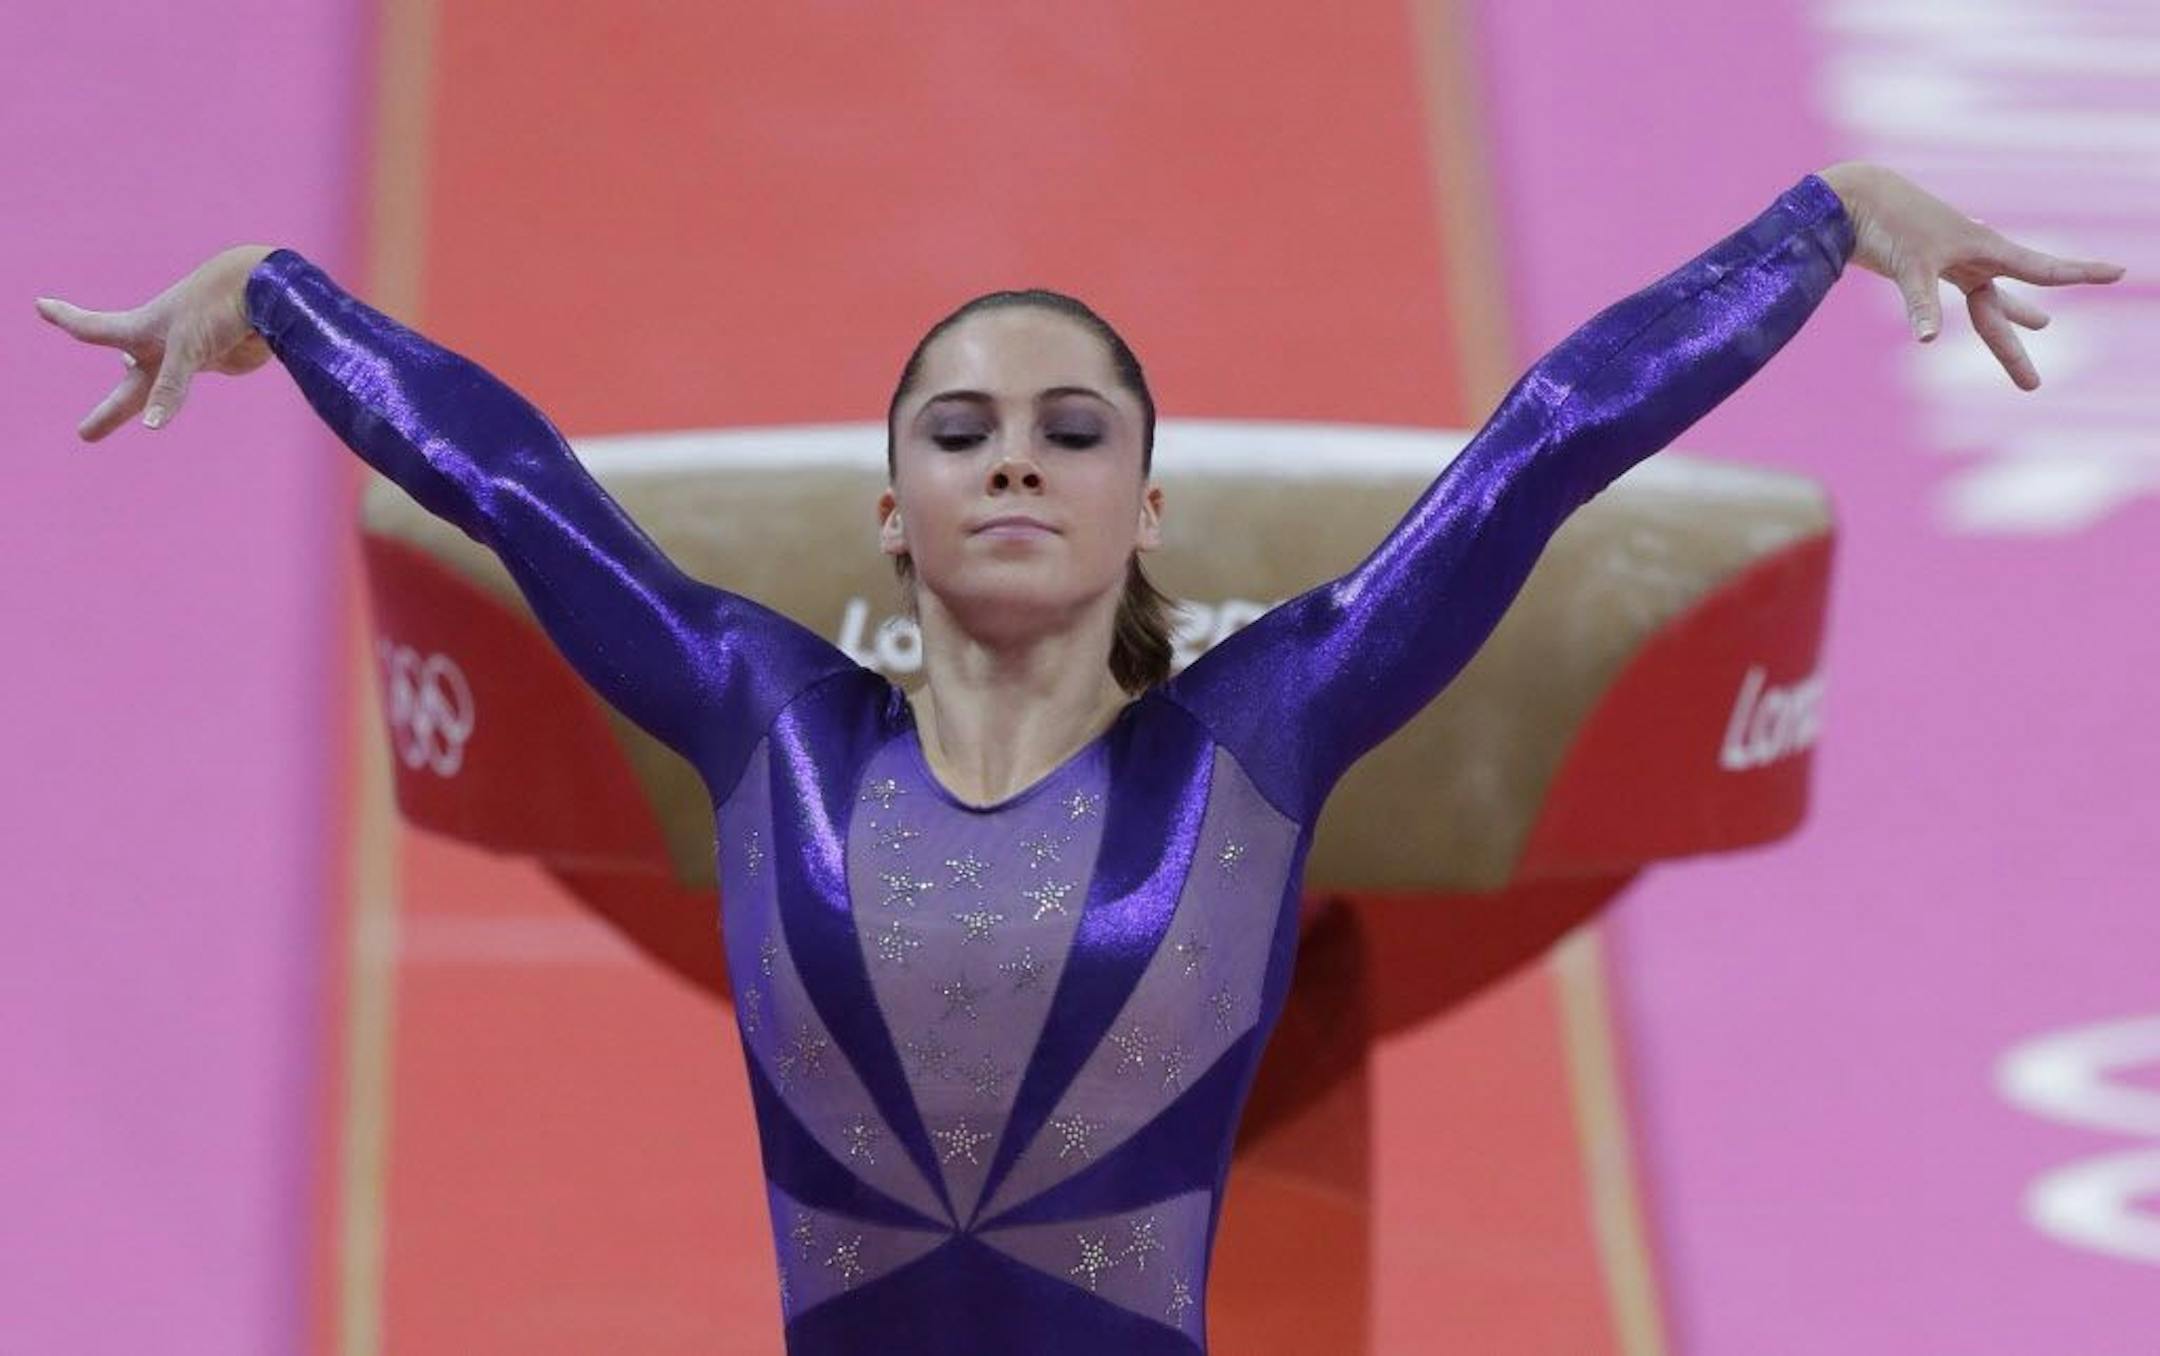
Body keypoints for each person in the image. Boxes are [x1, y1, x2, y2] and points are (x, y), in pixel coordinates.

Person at [36, 164, 2123, 1354]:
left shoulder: (1264, 733)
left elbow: (1545, 449)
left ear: (1149, 513)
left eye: (1071, 427)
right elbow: (511, 484)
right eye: (956, 428)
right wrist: (273, 296)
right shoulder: (756, 712)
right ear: (886, 514)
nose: (1012, 452)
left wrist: (1829, 221)